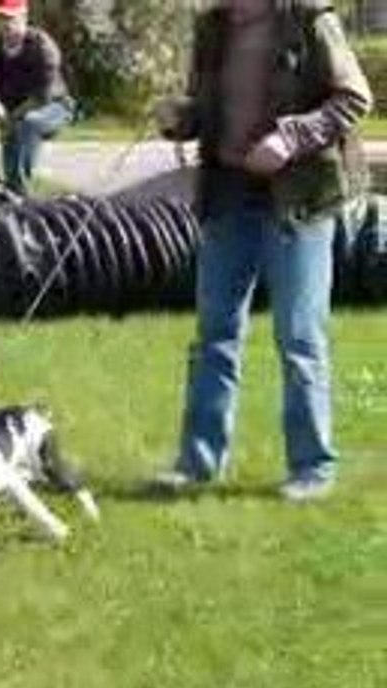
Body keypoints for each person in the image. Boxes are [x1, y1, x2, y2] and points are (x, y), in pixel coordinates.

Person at [154, 0, 372, 501]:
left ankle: (312, 468)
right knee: (215, 334)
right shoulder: (212, 27)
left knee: (299, 337)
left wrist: (290, 137)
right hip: (227, 195)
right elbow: (205, 110)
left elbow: (353, 98)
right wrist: (180, 117)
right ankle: (198, 463)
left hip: (297, 199)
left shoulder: (310, 20)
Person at [0, 0, 72, 193]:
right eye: (1, 18)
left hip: (54, 107)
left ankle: (18, 192)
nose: (5, 24)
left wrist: (9, 120)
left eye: (11, 18)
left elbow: (41, 98)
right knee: (12, 130)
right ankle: (10, 192)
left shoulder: (43, 48)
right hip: (14, 112)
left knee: (28, 123)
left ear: (24, 18)